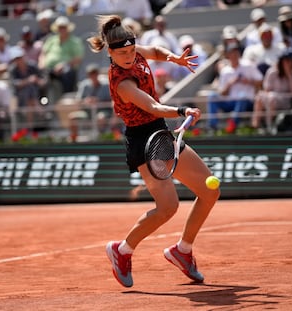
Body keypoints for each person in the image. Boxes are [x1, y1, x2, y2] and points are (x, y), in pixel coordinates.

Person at [87, 14, 220, 288]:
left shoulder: (134, 53)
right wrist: (182, 110)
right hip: (143, 140)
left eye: (131, 50)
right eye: (122, 53)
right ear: (110, 53)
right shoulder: (122, 81)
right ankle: (121, 251)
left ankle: (182, 250)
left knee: (209, 191)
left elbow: (156, 52)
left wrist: (175, 59)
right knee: (167, 208)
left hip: (160, 132)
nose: (128, 56)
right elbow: (152, 106)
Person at [207, 42, 263, 133]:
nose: (234, 55)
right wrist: (230, 84)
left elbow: (261, 81)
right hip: (231, 102)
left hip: (247, 101)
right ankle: (212, 126)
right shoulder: (225, 71)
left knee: (242, 97)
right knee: (212, 96)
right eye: (232, 52)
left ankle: (232, 125)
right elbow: (222, 93)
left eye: (236, 52)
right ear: (228, 55)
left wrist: (249, 81)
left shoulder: (248, 65)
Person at [252, 49, 292, 131]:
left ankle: (269, 126)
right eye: (285, 61)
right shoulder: (272, 72)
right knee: (260, 97)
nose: (287, 63)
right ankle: (255, 125)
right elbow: (267, 90)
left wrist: (289, 75)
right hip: (271, 99)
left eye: (289, 61)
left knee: (272, 98)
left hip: (286, 101)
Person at [38, 15, 84, 101]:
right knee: (39, 79)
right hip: (49, 69)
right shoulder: (51, 40)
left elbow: (78, 58)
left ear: (67, 28)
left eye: (63, 27)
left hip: (66, 69)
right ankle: (43, 102)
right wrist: (42, 63)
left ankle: (66, 100)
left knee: (67, 73)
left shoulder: (75, 42)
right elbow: (43, 53)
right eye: (60, 27)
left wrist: (64, 64)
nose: (61, 29)